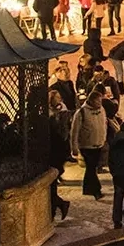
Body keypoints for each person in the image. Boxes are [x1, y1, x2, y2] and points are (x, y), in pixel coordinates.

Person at [69, 93, 110, 202]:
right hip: (87, 145)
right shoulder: (81, 113)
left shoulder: (102, 110)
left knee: (91, 168)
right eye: (97, 101)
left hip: (99, 143)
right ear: (91, 101)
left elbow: (104, 124)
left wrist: (104, 137)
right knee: (91, 168)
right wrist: (74, 147)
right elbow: (74, 131)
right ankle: (96, 190)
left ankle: (87, 188)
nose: (100, 103)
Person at [45, 90, 72, 220]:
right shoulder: (48, 112)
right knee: (51, 186)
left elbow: (63, 132)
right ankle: (59, 206)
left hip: (56, 152)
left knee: (52, 185)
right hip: (51, 151)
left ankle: (55, 210)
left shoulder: (62, 113)